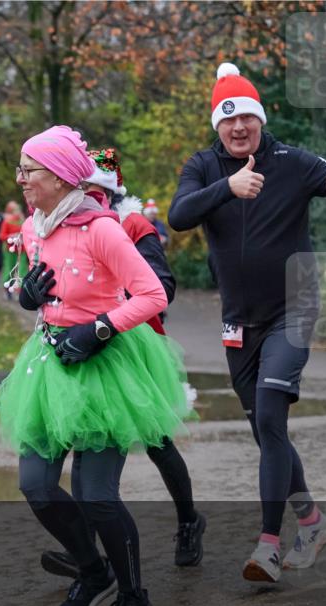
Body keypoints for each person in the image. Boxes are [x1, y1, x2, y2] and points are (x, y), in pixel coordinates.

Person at [0, 125, 193, 606]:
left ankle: (135, 600)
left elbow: (153, 295)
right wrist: (26, 296)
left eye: (29, 170)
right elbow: (24, 281)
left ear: (61, 177)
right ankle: (92, 571)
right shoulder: (35, 225)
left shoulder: (101, 227)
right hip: (48, 364)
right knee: (36, 487)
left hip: (104, 366)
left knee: (95, 494)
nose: (21, 179)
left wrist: (99, 328)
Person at [169, 62, 326, 582]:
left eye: (247, 117)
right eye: (228, 122)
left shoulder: (292, 162)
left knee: (271, 417)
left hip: (293, 309)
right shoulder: (203, 167)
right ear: (217, 127)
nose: (239, 128)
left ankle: (269, 545)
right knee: (264, 428)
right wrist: (229, 186)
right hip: (237, 322)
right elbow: (179, 216)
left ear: (260, 119)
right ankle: (312, 522)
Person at [39, 148, 204, 580]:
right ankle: (89, 554)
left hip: (133, 343)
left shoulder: (132, 225)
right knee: (88, 436)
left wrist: (108, 315)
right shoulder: (64, 223)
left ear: (108, 194)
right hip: (84, 346)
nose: (86, 201)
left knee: (156, 439)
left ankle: (189, 521)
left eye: (94, 193)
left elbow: (161, 284)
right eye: (82, 191)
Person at [0, 201, 23, 300]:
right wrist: (11, 236)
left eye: (18, 210)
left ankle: (19, 292)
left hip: (22, 250)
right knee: (9, 270)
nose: (17, 212)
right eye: (15, 210)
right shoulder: (7, 221)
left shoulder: (24, 221)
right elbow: (1, 236)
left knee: (21, 271)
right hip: (9, 250)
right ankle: (7, 290)